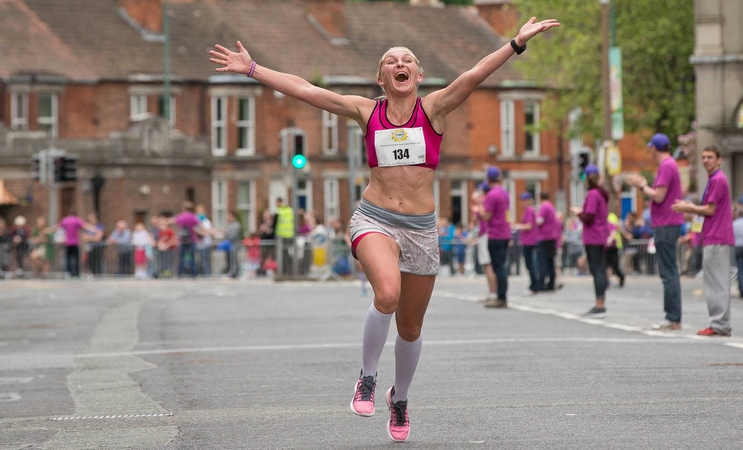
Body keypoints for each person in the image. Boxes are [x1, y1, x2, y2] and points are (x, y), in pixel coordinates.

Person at [210, 17, 560, 442]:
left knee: (410, 328)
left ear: (418, 75)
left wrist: (516, 44)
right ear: (381, 77)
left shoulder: (435, 109)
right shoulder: (365, 110)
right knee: (387, 295)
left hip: (421, 229)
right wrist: (252, 69)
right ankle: (368, 377)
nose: (400, 64)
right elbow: (307, 90)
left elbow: (473, 75)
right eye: (391, 61)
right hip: (375, 219)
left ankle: (401, 399)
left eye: (408, 60)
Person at [672, 146, 735, 336]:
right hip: (714, 236)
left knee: (717, 282)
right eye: (703, 157)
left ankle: (719, 324)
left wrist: (690, 207)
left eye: (710, 157)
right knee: (715, 281)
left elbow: (710, 209)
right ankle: (719, 323)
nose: (706, 160)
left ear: (719, 160)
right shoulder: (714, 179)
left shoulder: (717, 180)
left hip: (717, 237)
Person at [626, 133, 684, 331]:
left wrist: (642, 185)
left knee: (668, 272)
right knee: (670, 271)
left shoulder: (666, 166)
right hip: (668, 223)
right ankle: (673, 317)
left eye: (650, 147)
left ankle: (673, 318)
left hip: (666, 224)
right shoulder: (670, 165)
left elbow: (659, 196)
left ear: (654, 148)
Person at [573, 165, 609, 318]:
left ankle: (599, 305)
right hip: (600, 235)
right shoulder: (601, 194)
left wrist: (578, 212)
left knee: (596, 270)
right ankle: (600, 303)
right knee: (598, 268)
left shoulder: (593, 194)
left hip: (593, 236)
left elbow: (589, 217)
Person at [476, 166, 512, 309]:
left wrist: (480, 209)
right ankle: (501, 296)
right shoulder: (505, 192)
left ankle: (501, 297)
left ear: (487, 179)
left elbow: (487, 216)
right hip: (505, 232)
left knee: (498, 267)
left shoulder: (491, 195)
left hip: (495, 233)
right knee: (501, 265)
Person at [471, 182, 498, 301]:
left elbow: (482, 216)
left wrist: (479, 206)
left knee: (488, 264)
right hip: (485, 234)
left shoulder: (484, 203)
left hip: (485, 234)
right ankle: (491, 291)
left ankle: (493, 292)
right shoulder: (487, 202)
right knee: (487, 264)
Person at [514, 191, 540, 295]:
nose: (522, 202)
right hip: (527, 241)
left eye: (524, 200)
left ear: (529, 201)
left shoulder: (529, 210)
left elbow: (529, 226)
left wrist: (517, 226)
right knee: (529, 264)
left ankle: (534, 286)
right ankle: (533, 284)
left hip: (530, 241)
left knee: (531, 264)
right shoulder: (527, 211)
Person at [59, 209, 97, 279]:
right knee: (76, 259)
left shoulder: (65, 220)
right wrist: (93, 228)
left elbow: (59, 228)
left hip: (67, 242)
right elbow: (85, 225)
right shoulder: (77, 220)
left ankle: (67, 273)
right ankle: (75, 274)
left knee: (67, 258)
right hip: (75, 242)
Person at [537, 191, 561, 291]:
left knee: (543, 261)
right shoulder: (551, 206)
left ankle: (542, 283)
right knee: (550, 261)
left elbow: (539, 221)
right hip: (552, 237)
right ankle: (551, 283)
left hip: (544, 237)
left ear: (540, 197)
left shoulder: (544, 206)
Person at [174, 201, 204, 278]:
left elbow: (175, 222)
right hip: (192, 239)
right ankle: (193, 274)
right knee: (192, 257)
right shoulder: (193, 217)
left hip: (182, 239)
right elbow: (199, 225)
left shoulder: (181, 216)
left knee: (181, 257)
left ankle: (180, 274)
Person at [605, 212, 625, 288]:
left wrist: (609, 240)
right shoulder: (601, 221)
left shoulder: (611, 217)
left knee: (615, 266)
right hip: (605, 248)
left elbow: (615, 230)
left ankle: (621, 276)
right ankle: (607, 281)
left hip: (614, 246)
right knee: (606, 265)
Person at [196, 204, 214, 276]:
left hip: (206, 243)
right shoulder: (196, 221)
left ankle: (207, 273)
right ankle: (200, 273)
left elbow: (210, 232)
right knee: (198, 260)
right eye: (199, 211)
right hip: (198, 244)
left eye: (201, 211)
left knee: (206, 260)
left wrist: (204, 231)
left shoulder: (207, 222)